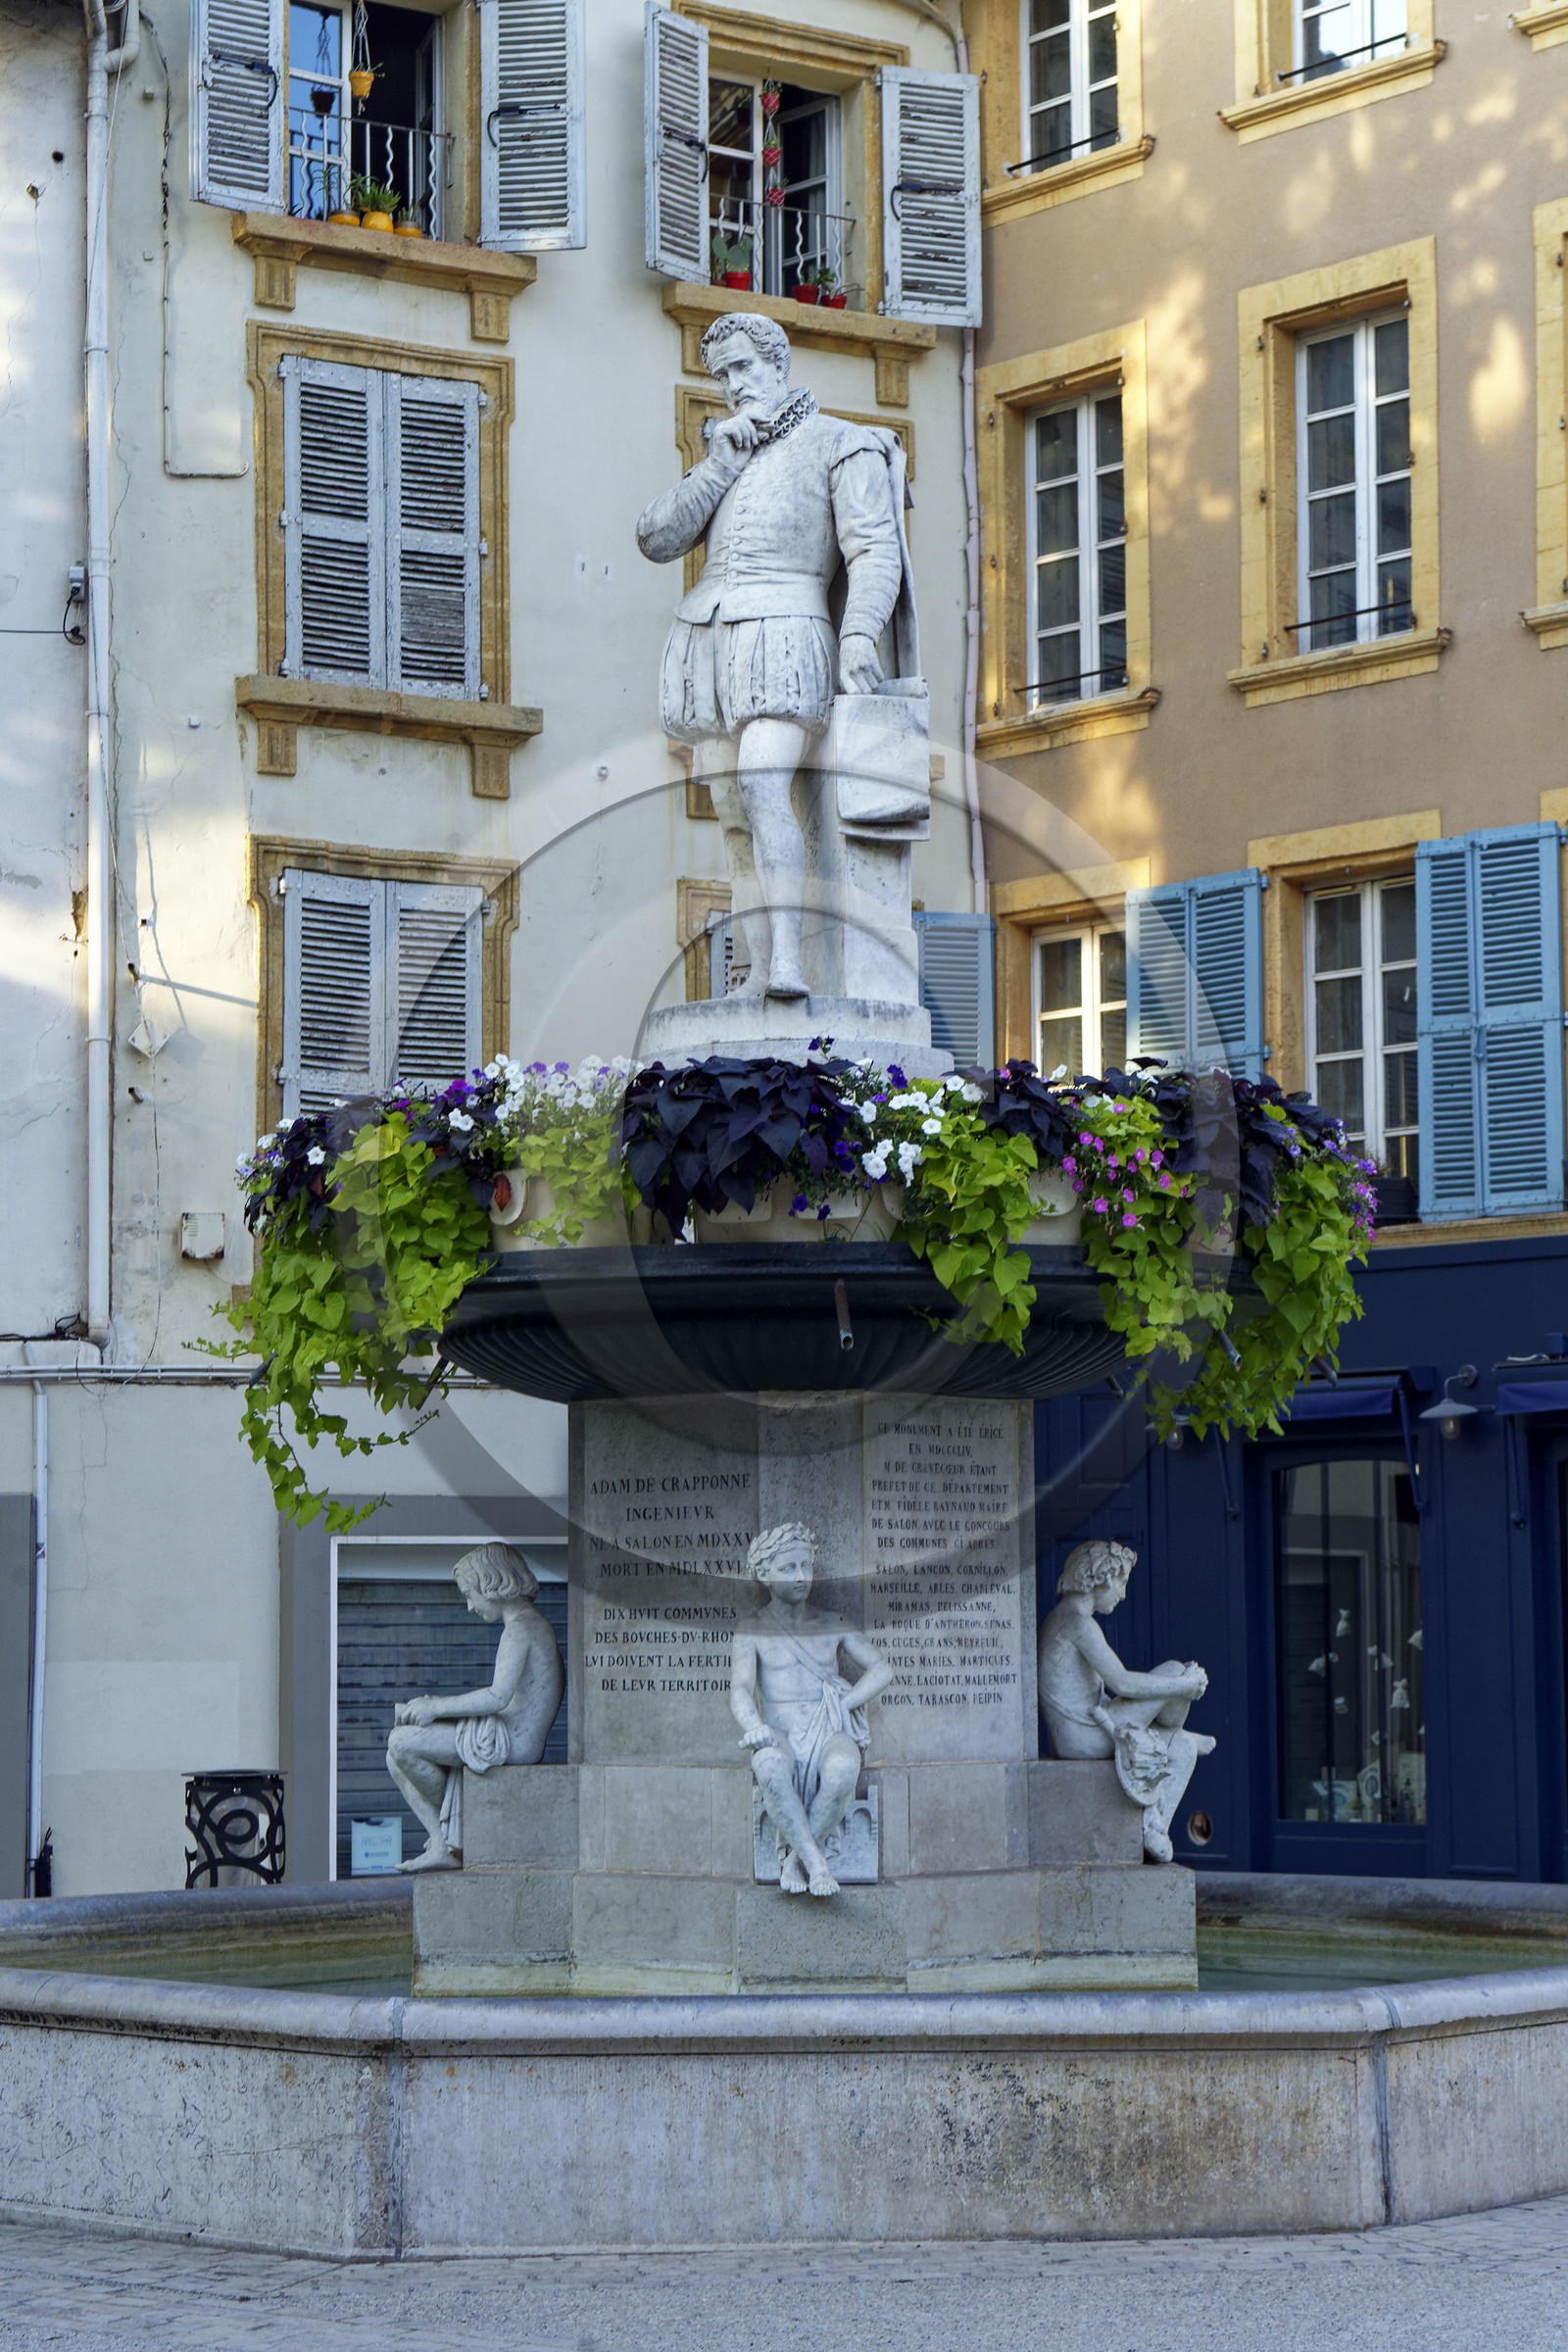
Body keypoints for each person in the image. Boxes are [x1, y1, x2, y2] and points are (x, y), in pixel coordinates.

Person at [637, 313, 912, 1001]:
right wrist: (719, 465)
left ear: (777, 363)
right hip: (711, 637)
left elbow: (873, 550)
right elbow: (656, 537)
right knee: (732, 813)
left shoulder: (842, 443)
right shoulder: (726, 455)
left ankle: (789, 961)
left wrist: (858, 635)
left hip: (789, 632)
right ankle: (758, 969)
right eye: (721, 374)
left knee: (763, 782)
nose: (732, 386)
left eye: (742, 369)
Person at [730, 1521, 893, 1896]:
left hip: (829, 1730)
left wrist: (843, 1702)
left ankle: (793, 1863)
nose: (802, 1577)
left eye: (806, 1566)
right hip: (781, 1732)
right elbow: (739, 1688)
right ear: (764, 1575)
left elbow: (882, 1668)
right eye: (789, 1568)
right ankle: (818, 1866)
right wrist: (754, 1726)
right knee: (768, 1765)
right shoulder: (751, 1630)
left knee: (842, 1768)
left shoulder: (832, 1623)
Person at [385, 1544, 564, 1873]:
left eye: (470, 1594)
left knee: (399, 1743)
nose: (469, 1606)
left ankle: (450, 1834)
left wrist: (435, 1707)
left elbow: (497, 1697)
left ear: (493, 1583)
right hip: (507, 1733)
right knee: (394, 1754)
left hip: (509, 1741)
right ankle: (441, 1843)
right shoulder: (530, 1625)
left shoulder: (522, 1629)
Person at [1037, 1539, 1216, 1863]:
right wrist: (1183, 1686)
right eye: (1121, 1583)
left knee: (1182, 1748)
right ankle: (1182, 1711)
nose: (1122, 1594)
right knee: (1176, 1671)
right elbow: (1122, 1682)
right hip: (1085, 1737)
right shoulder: (1077, 1623)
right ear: (1103, 1577)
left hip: (1089, 1728)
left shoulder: (1066, 1618)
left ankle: (1154, 1828)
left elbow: (1094, 1693)